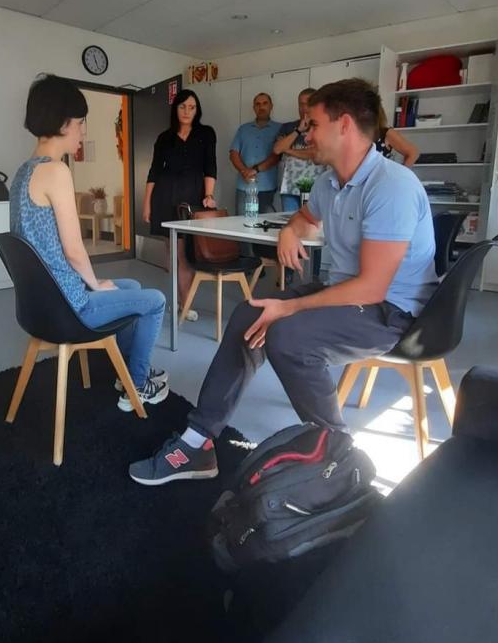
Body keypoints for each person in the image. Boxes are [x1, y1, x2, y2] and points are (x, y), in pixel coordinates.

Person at [129, 78, 438, 485]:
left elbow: (372, 288)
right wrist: (291, 231)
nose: (306, 134)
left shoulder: (391, 186)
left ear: (344, 125)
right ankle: (198, 441)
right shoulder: (330, 183)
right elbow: (305, 218)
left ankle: (338, 454)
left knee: (287, 336)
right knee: (249, 314)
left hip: (391, 311)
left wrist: (289, 306)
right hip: (342, 292)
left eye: (314, 124)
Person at [10, 74, 168, 411]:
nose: (83, 131)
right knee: (155, 300)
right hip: (69, 308)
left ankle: (127, 372)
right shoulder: (56, 172)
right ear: (63, 124)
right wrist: (95, 284)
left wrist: (96, 283)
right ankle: (138, 385)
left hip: (38, 305)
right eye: (81, 123)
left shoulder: (23, 172)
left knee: (131, 285)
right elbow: (73, 250)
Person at [142, 89, 217, 318]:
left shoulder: (206, 133)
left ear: (197, 110)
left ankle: (184, 303)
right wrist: (147, 204)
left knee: (185, 253)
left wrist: (209, 194)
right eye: (183, 106)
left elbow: (210, 167)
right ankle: (180, 302)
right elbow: (154, 172)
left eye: (192, 107)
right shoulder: (164, 138)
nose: (187, 111)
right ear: (175, 109)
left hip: (192, 199)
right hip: (165, 198)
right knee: (172, 252)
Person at [273, 87, 327, 282]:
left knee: (314, 233)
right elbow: (277, 149)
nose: (303, 107)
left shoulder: (321, 127)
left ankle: (313, 276)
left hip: (314, 189)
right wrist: (298, 131)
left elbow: (315, 154)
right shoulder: (288, 127)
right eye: (300, 103)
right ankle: (287, 274)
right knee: (289, 229)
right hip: (289, 187)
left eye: (307, 103)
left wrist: (290, 150)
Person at [230, 93, 281, 217]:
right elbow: (233, 153)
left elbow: (276, 156)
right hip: (244, 186)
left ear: (271, 106)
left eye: (265, 103)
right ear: (254, 108)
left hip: (267, 187)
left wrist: (254, 170)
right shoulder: (243, 129)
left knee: (264, 225)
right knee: (241, 224)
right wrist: (244, 171)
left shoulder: (279, 129)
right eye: (257, 104)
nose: (261, 107)